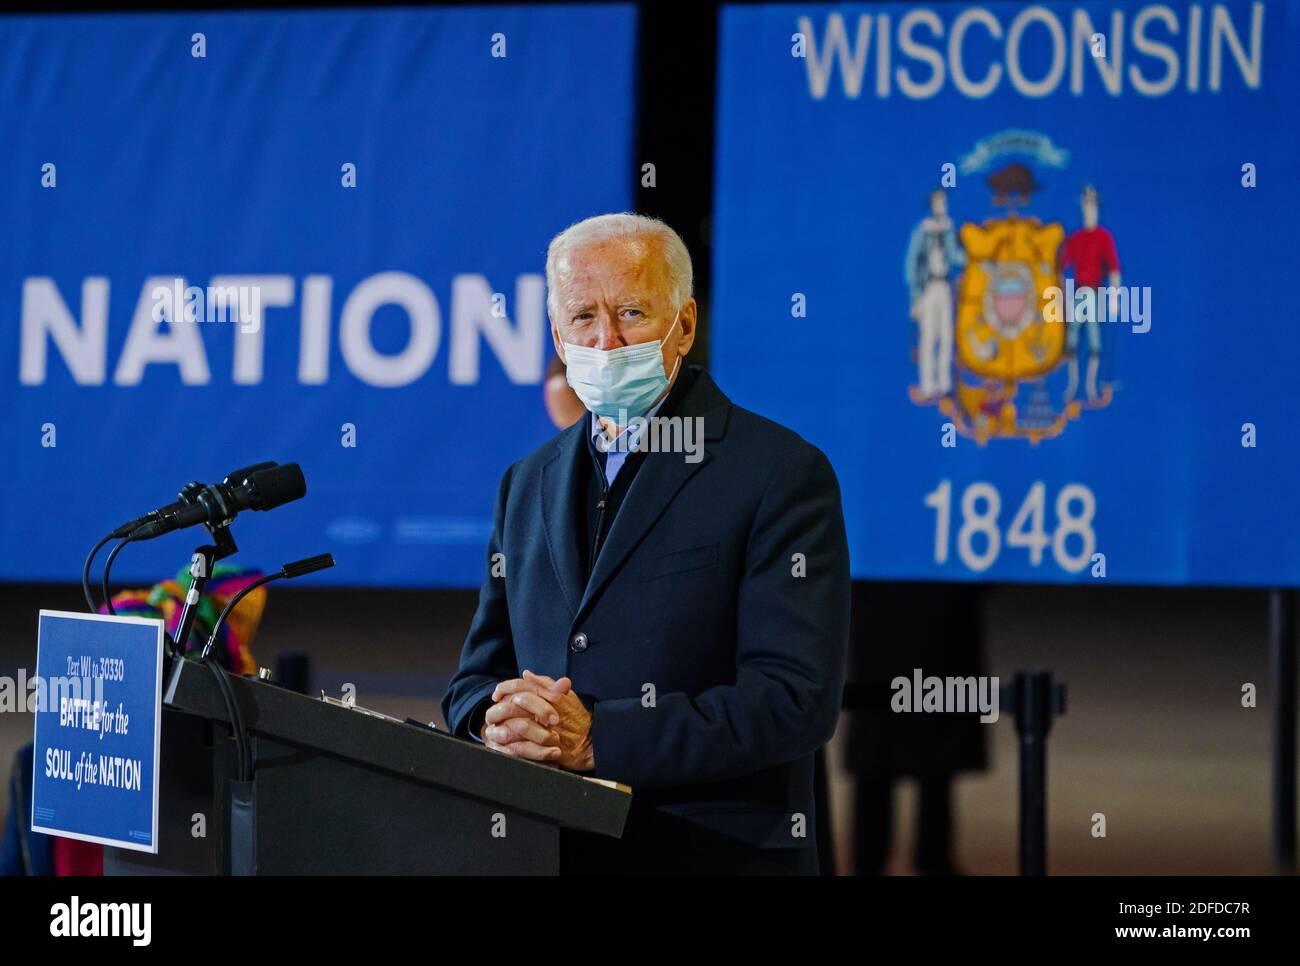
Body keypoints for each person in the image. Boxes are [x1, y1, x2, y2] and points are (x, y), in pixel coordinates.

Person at [440, 213, 850, 875]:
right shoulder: (526, 481)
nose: (605, 340)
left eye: (631, 312)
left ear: (684, 325)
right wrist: (494, 719)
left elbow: (793, 699)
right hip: (550, 851)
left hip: (711, 856)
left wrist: (600, 739)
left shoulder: (779, 473)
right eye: (582, 318)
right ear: (556, 333)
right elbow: (476, 676)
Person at [1059, 184, 1121, 404]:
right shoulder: (1076, 238)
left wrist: (1114, 295)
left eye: (1092, 204)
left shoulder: (1104, 237)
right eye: (1086, 204)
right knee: (1073, 340)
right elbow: (1062, 264)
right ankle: (1073, 385)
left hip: (1094, 293)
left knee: (1095, 341)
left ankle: (1091, 386)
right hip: (1078, 292)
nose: (1089, 208)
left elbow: (1113, 267)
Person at [905, 188, 964, 399]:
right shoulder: (922, 231)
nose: (942, 206)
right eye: (939, 202)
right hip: (928, 288)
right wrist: (915, 297)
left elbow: (956, 257)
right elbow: (912, 265)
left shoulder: (948, 228)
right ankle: (928, 385)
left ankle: (944, 384)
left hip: (945, 287)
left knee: (946, 335)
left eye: (944, 202)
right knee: (929, 335)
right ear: (932, 204)